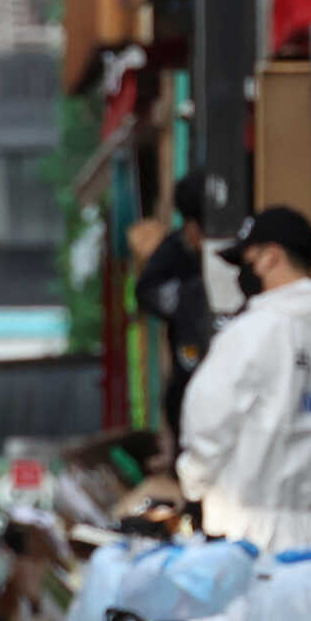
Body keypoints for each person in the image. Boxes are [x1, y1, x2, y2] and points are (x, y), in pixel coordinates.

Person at [176, 205, 311, 552]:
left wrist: (193, 483)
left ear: (271, 257)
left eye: (247, 259)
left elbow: (207, 423)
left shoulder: (253, 333)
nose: (243, 274)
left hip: (251, 534)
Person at [133, 172, 215, 438]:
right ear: (191, 225)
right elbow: (145, 292)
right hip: (189, 370)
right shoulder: (173, 251)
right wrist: (189, 299)